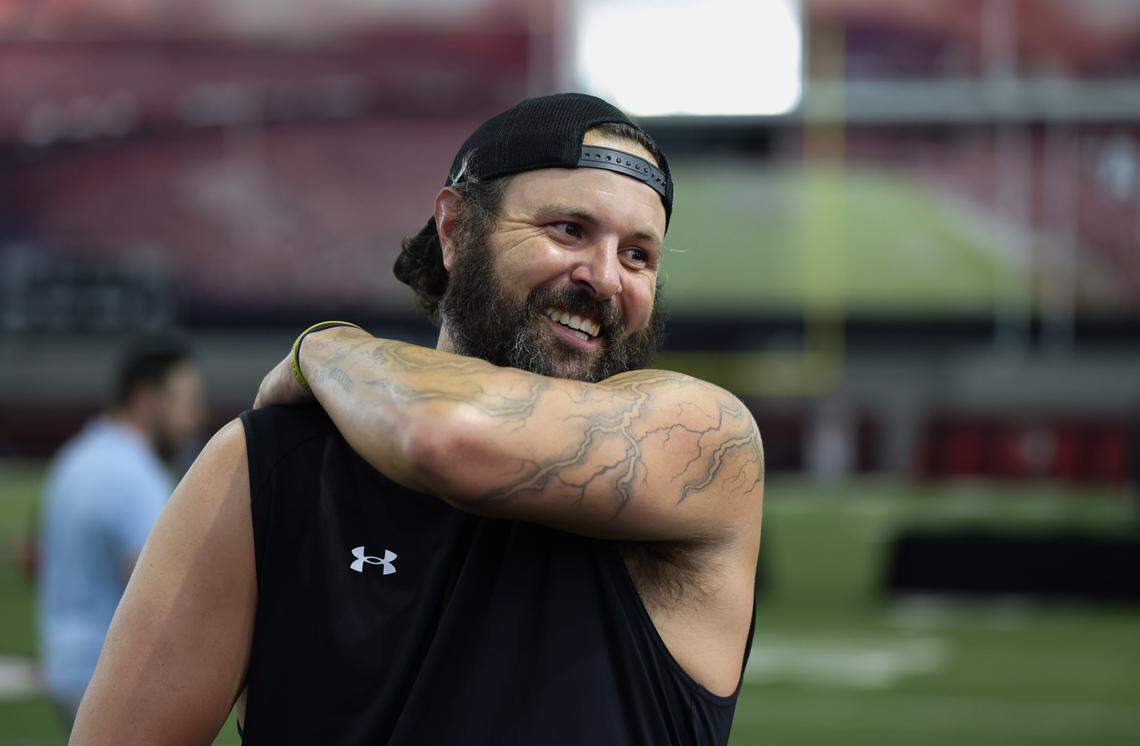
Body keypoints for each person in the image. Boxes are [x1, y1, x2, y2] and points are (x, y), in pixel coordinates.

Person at [72, 94, 764, 745]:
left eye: (638, 255)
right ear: (455, 229)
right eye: (568, 230)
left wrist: (323, 346)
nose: (605, 277)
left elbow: (445, 435)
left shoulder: (700, 445)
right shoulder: (265, 466)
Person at [37, 339, 205, 728]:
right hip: (110, 678)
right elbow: (161, 588)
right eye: (185, 401)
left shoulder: (75, 457)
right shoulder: (136, 476)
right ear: (147, 400)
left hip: (65, 667)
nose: (193, 418)